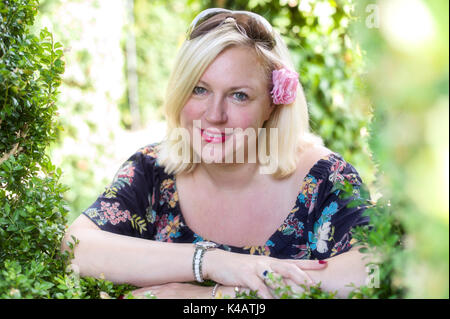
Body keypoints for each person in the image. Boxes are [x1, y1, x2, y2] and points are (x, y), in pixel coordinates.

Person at [62, 8, 371, 299]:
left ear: (272, 103)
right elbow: (76, 247)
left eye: (239, 95)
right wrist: (208, 262)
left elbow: (374, 270)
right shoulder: (153, 169)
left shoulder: (326, 178)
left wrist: (215, 295)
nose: (214, 114)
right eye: (200, 89)